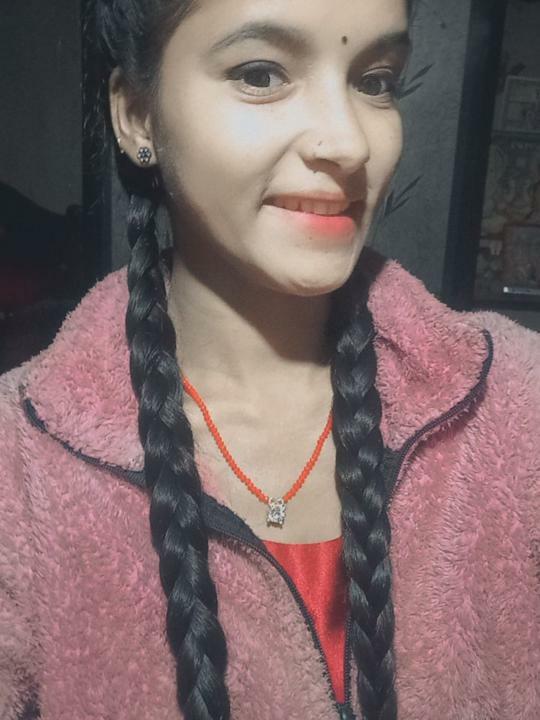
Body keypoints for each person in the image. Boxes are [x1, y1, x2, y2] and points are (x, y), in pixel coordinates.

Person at [0, 1, 538, 719]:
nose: (348, 142)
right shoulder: (20, 471)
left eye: (375, 81)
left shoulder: (517, 405)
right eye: (261, 74)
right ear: (136, 114)